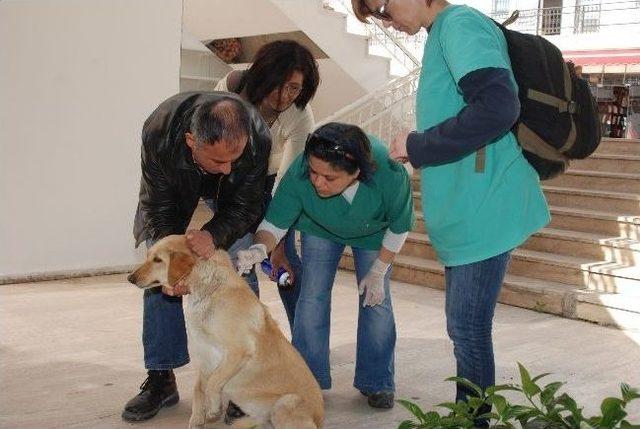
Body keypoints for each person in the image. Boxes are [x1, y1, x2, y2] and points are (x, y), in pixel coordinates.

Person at [352, 0, 551, 422]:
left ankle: (472, 420)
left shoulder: (458, 24)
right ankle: (470, 418)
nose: (387, 20)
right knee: (466, 331)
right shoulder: (443, 32)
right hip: (471, 210)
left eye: (383, 7)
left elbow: (498, 106)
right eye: (378, 15)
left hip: (485, 208)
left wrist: (419, 145)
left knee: (468, 331)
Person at [236, 122, 414, 409]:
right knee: (311, 299)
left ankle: (377, 382)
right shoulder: (301, 170)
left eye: (329, 177)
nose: (318, 182)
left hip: (373, 234)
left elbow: (400, 226)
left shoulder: (389, 173)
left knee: (375, 301)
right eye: (314, 173)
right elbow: (274, 223)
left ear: (356, 173)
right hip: (319, 228)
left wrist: (379, 270)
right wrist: (259, 249)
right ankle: (307, 379)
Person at [124, 92, 271, 422]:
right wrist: (171, 265)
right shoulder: (159, 131)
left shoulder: (257, 135)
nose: (228, 167)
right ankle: (161, 378)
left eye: (235, 157)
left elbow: (246, 206)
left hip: (233, 201)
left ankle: (241, 381)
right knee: (159, 276)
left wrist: (213, 235)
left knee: (241, 272)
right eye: (219, 160)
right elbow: (158, 207)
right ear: (192, 141)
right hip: (171, 193)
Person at [215, 39, 320, 326]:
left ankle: (305, 337)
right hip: (229, 181)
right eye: (281, 84)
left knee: (285, 260)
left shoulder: (300, 114)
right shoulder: (234, 88)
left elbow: (287, 183)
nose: (285, 95)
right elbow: (212, 143)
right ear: (265, 75)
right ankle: (252, 337)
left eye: (295, 88)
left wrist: (279, 242)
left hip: (271, 182)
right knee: (242, 259)